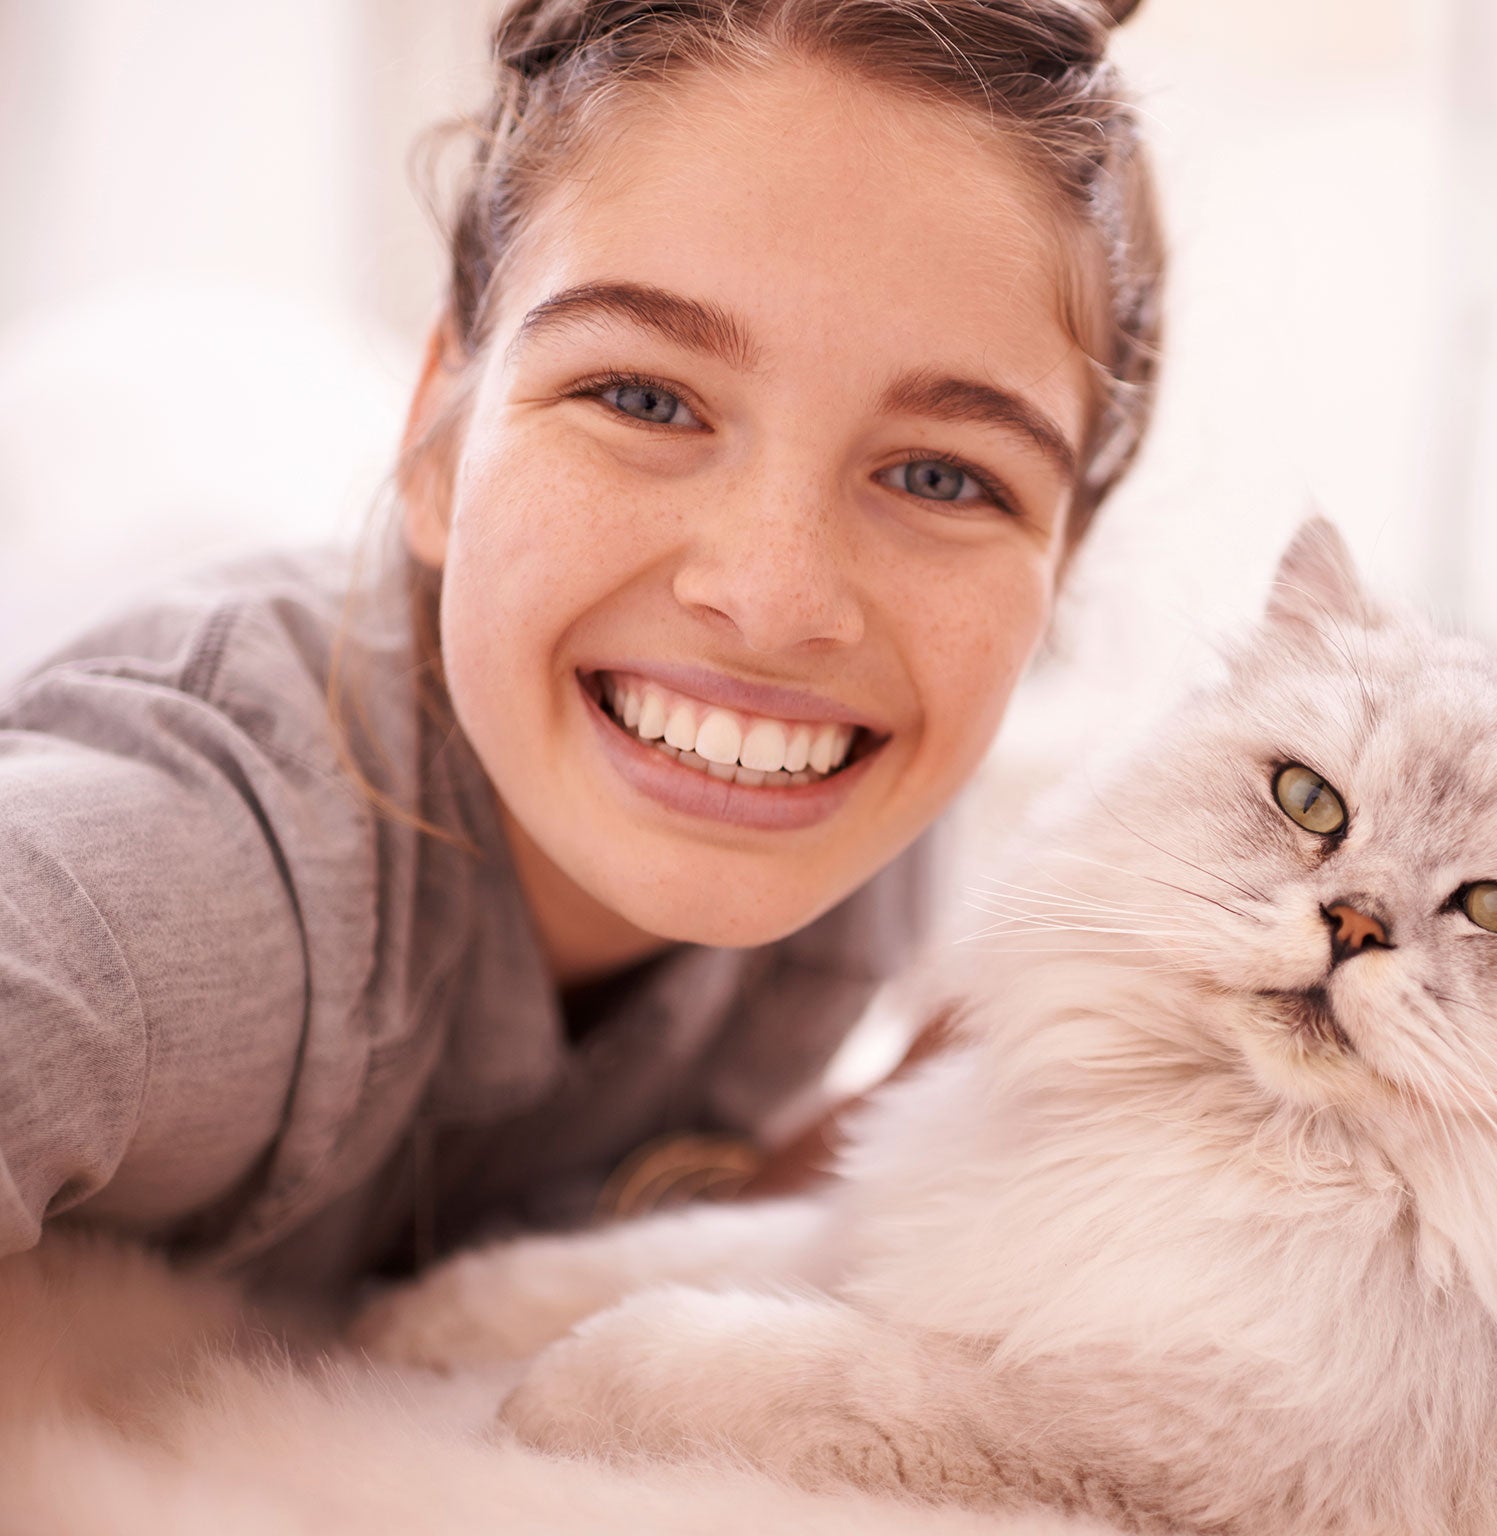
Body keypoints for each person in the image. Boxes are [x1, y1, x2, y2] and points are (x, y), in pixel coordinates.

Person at [0, 0, 1162, 1295]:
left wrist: (876, 1130)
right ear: (437, 438)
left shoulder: (852, 840)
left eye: (943, 479)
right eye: (644, 397)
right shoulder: (198, 887)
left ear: (1058, 575)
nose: (777, 604)